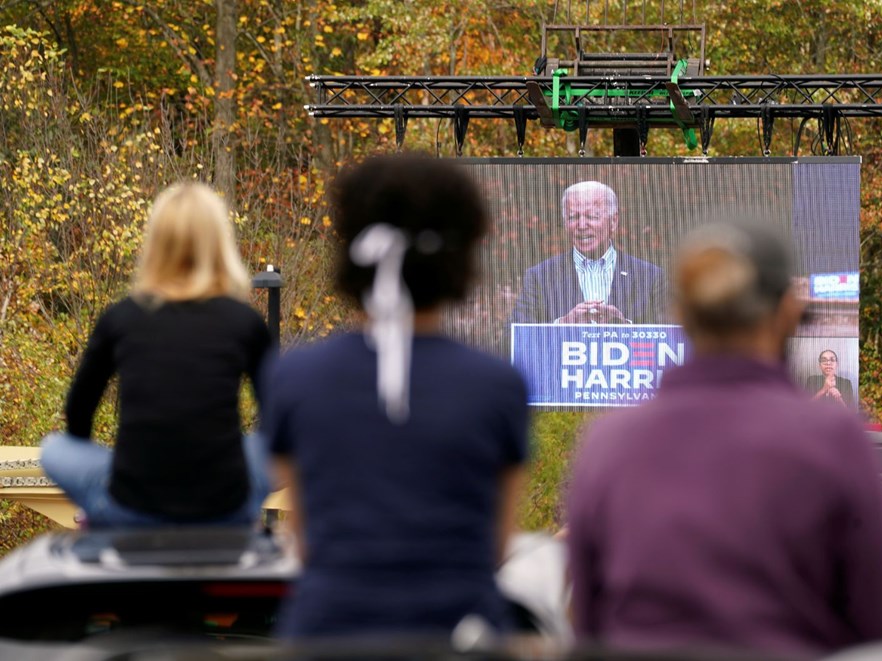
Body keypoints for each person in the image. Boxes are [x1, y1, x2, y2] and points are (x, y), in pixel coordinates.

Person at [566, 222, 882, 656]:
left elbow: (587, 625)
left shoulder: (608, 444)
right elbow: (880, 629)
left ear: (680, 314)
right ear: (788, 311)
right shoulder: (833, 441)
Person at [262, 154, 530, 638]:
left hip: (328, 634)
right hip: (459, 634)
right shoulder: (497, 386)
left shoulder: (295, 378)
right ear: (460, 257)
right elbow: (497, 546)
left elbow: (301, 541)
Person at [40, 182, 273, 527]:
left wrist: (117, 465)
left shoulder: (122, 317)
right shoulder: (244, 321)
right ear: (220, 245)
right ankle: (242, 508)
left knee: (53, 448)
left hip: (130, 505)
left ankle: (101, 508)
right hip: (226, 506)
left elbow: (78, 413)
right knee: (275, 447)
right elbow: (279, 416)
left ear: (155, 245)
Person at [509, 181, 667, 324]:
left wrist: (626, 330)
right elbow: (511, 339)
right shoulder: (540, 277)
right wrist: (561, 326)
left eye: (592, 216)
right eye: (573, 217)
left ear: (613, 221)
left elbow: (675, 340)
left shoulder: (650, 277)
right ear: (565, 224)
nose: (582, 225)